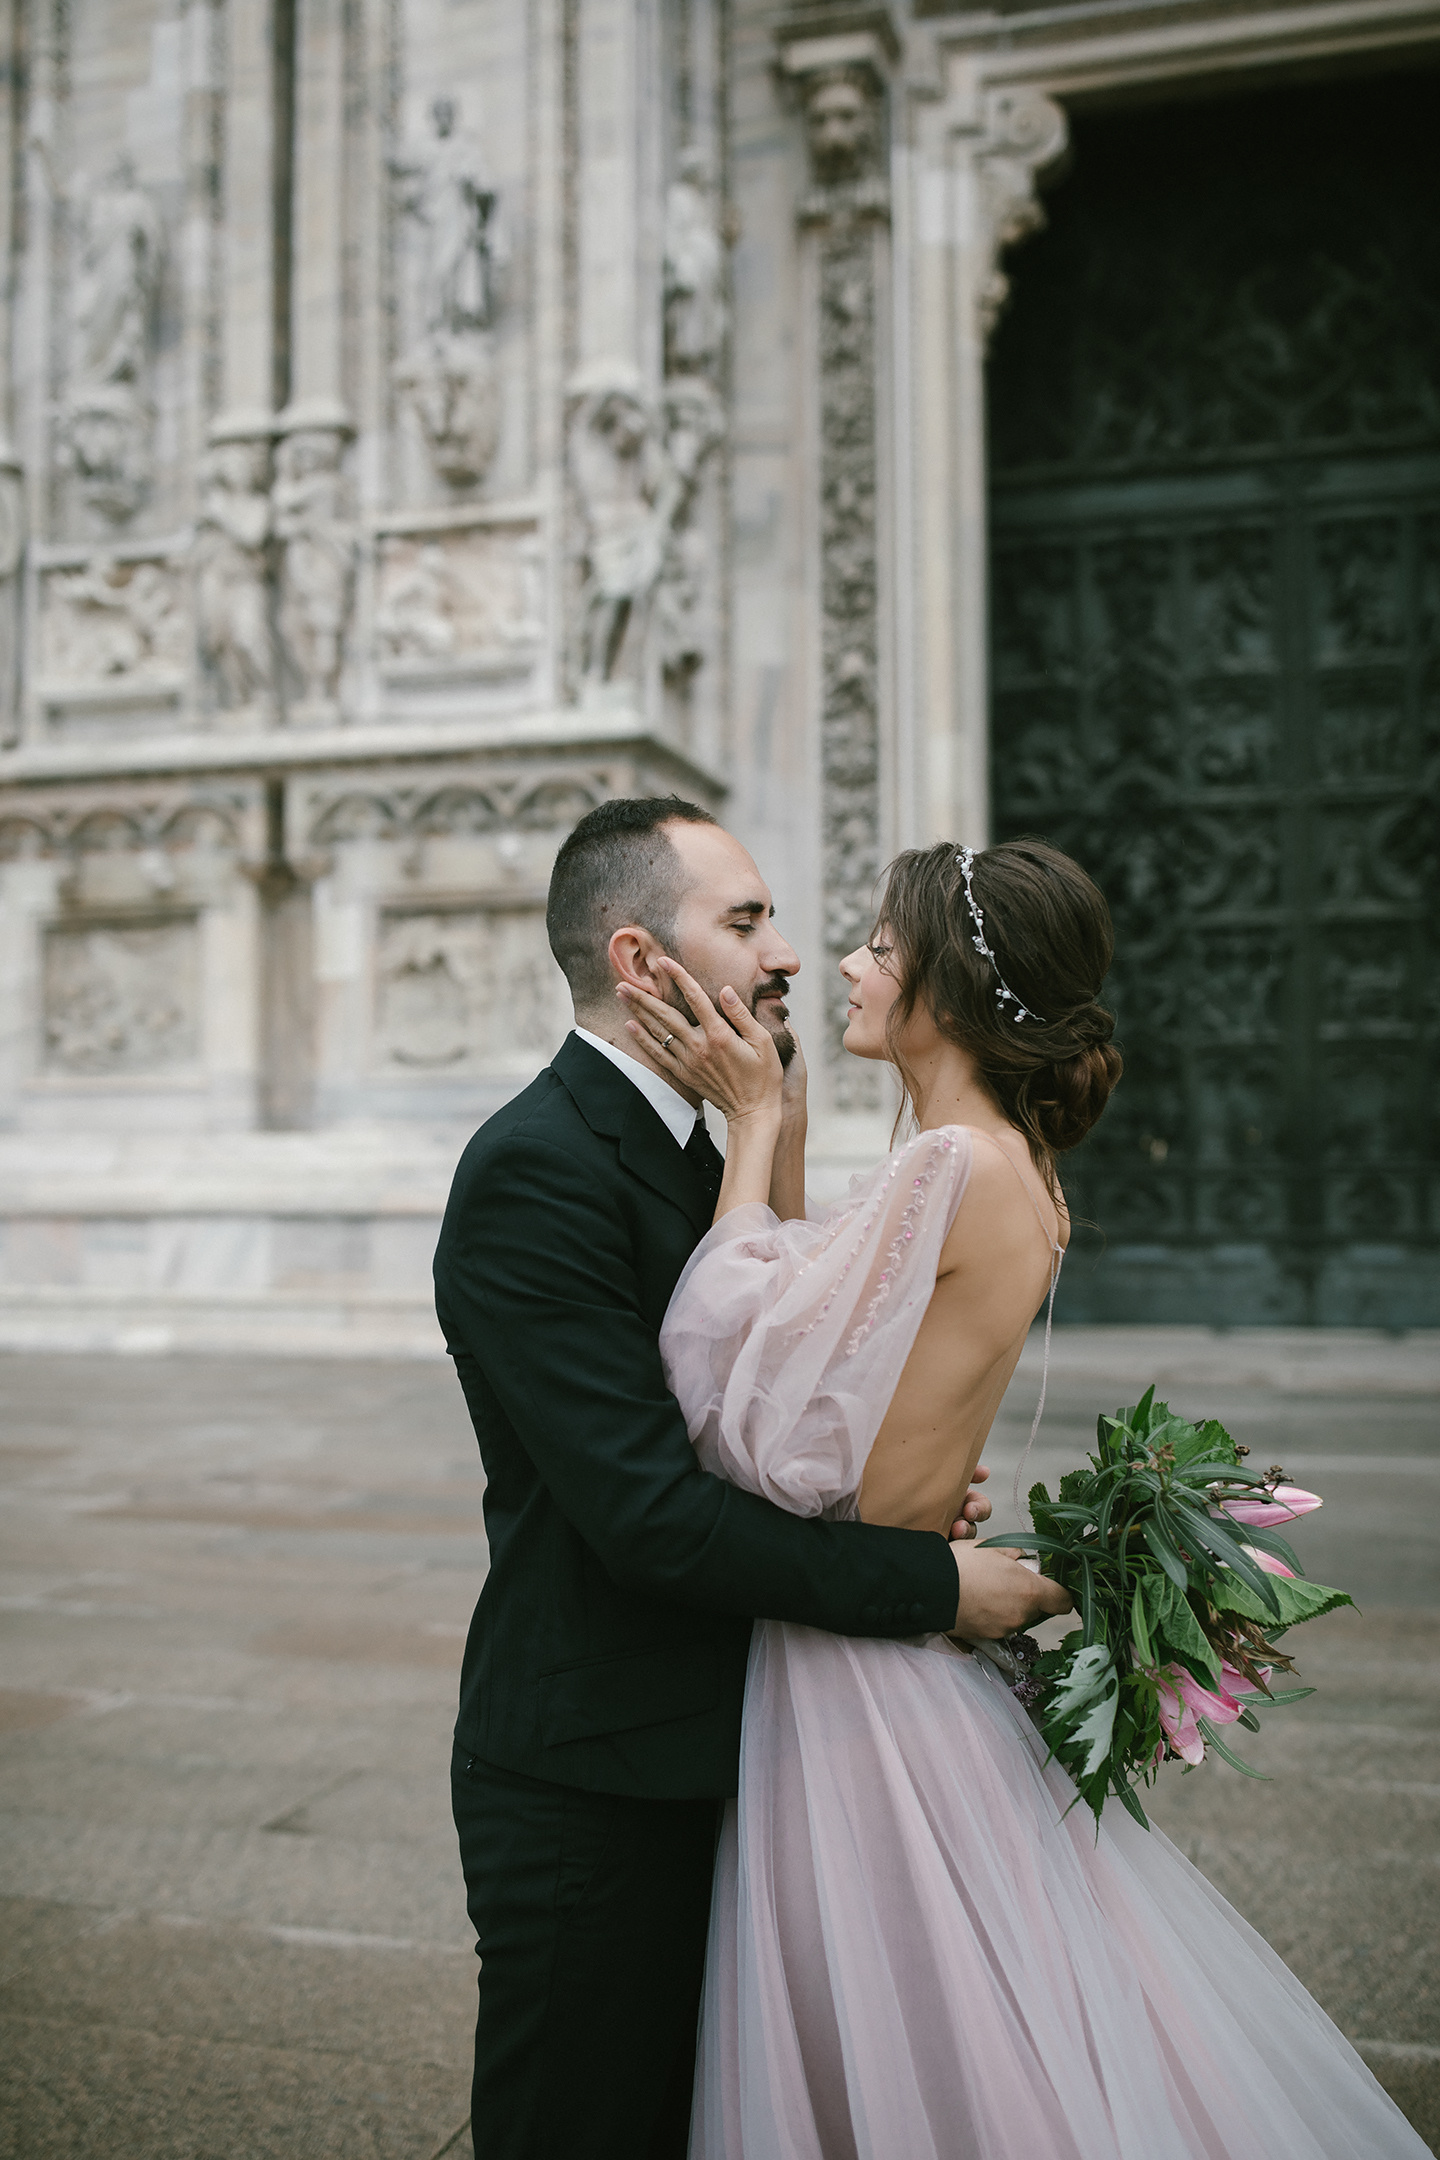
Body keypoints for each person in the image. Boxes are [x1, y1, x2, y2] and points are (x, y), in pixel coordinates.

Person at [619, 835, 1429, 2160]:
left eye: (881, 947)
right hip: (907, 1621)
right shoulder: (1013, 1169)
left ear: (949, 989)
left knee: (907, 2042)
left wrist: (757, 1127)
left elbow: (739, 1402)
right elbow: (862, 1375)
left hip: (853, 1664)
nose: (845, 966)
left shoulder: (947, 1164)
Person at [433, 798, 1066, 2160]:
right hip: (601, 1776)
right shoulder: (533, 1173)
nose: (791, 952)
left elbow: (770, 1433)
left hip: (750, 1740)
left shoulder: (710, 1146)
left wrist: (874, 1496)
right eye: (747, 922)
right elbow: (653, 1520)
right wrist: (926, 1581)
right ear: (641, 961)